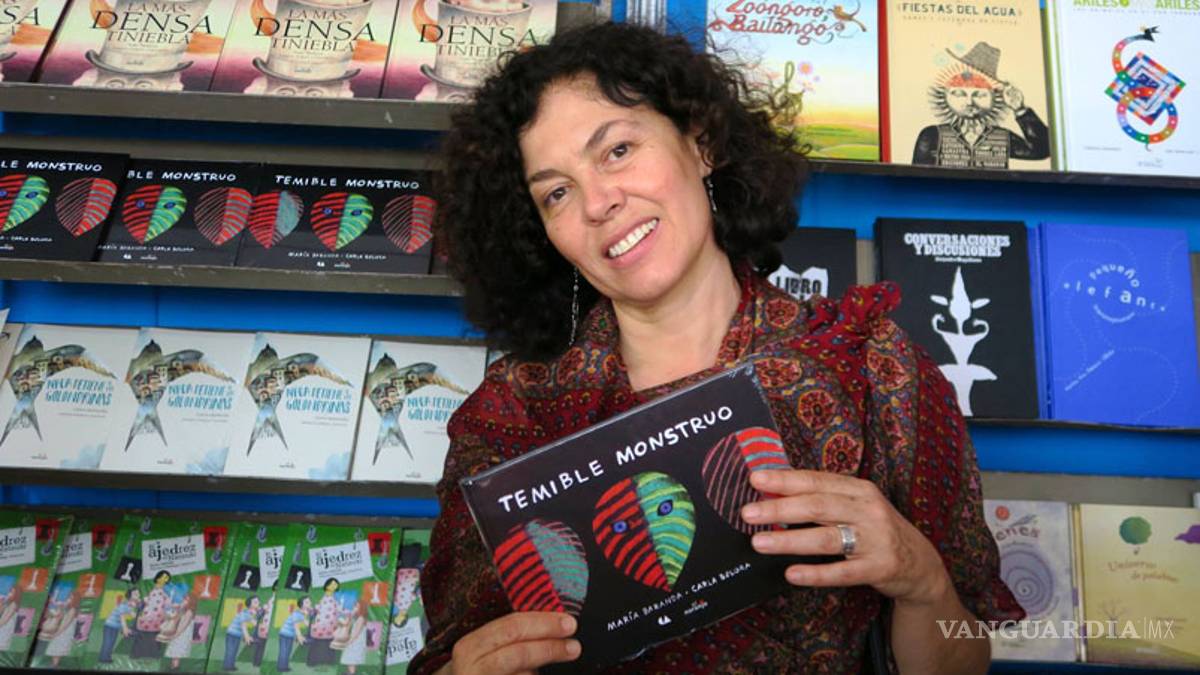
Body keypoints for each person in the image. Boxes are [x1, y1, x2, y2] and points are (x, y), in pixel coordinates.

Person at [410, 21, 1025, 675]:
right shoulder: (511, 416)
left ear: (701, 144)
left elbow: (963, 659)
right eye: (557, 192)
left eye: (617, 150)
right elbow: (454, 648)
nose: (598, 202)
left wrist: (921, 580)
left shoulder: (876, 369)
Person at [131, 570, 172, 659]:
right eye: (164, 577)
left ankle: (153, 654)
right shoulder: (154, 589)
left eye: (167, 578)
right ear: (158, 578)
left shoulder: (166, 591)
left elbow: (167, 603)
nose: (165, 579)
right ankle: (138, 653)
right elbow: (149, 600)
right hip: (147, 615)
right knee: (143, 634)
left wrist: (167, 612)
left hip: (158, 617)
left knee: (155, 636)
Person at [98, 588, 140, 663]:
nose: (138, 595)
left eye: (138, 594)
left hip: (116, 627)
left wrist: (141, 616)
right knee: (108, 642)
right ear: (130, 596)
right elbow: (122, 618)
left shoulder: (128, 606)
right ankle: (103, 658)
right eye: (135, 594)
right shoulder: (123, 605)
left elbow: (134, 615)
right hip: (109, 626)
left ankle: (107, 657)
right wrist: (125, 629)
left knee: (112, 642)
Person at [306, 578, 340, 665]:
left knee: (329, 643)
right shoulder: (324, 598)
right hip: (321, 625)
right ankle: (313, 661)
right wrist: (312, 610)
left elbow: (337, 610)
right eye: (332, 584)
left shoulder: (335, 598)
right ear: (327, 585)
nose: (334, 586)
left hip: (331, 626)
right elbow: (318, 608)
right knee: (317, 643)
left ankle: (328, 661)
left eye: (335, 584)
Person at [223, 595, 260, 670]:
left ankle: (230, 665)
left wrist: (260, 618)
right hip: (232, 634)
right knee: (231, 650)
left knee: (234, 650)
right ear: (250, 604)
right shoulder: (244, 613)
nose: (258, 603)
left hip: (237, 635)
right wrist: (247, 637)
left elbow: (255, 623)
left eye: (258, 602)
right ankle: (227, 666)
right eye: (255, 602)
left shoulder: (248, 613)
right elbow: (243, 626)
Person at [276, 597, 311, 673]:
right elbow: (296, 627)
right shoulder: (296, 614)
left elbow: (307, 624)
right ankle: (281, 667)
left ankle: (284, 666)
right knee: (284, 651)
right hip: (285, 634)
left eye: (309, 602)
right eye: (307, 602)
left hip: (290, 635)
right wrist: (300, 637)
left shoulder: (300, 614)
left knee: (288, 651)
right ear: (302, 605)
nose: (310, 603)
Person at [162, 592, 197, 670]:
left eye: (186, 600)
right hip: (178, 634)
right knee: (174, 653)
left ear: (191, 602)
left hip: (182, 635)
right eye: (184, 599)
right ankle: (173, 666)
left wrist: (175, 635)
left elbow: (183, 626)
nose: (183, 601)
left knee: (176, 653)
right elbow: (173, 613)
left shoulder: (189, 612)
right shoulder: (183, 610)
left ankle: (175, 668)